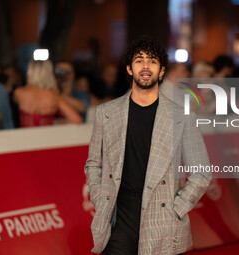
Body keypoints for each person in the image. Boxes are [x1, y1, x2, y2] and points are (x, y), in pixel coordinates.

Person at [84, 35, 211, 255]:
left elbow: (201, 172)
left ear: (162, 71)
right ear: (129, 69)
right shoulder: (106, 113)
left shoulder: (181, 117)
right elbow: (93, 164)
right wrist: (102, 200)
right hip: (118, 220)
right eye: (139, 60)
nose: (145, 65)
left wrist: (176, 210)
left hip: (162, 218)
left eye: (152, 61)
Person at [13, 60, 82, 127]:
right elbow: (77, 120)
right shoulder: (54, 96)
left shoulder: (19, 92)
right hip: (47, 137)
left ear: (30, 72)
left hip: (24, 137)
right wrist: (54, 122)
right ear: (49, 74)